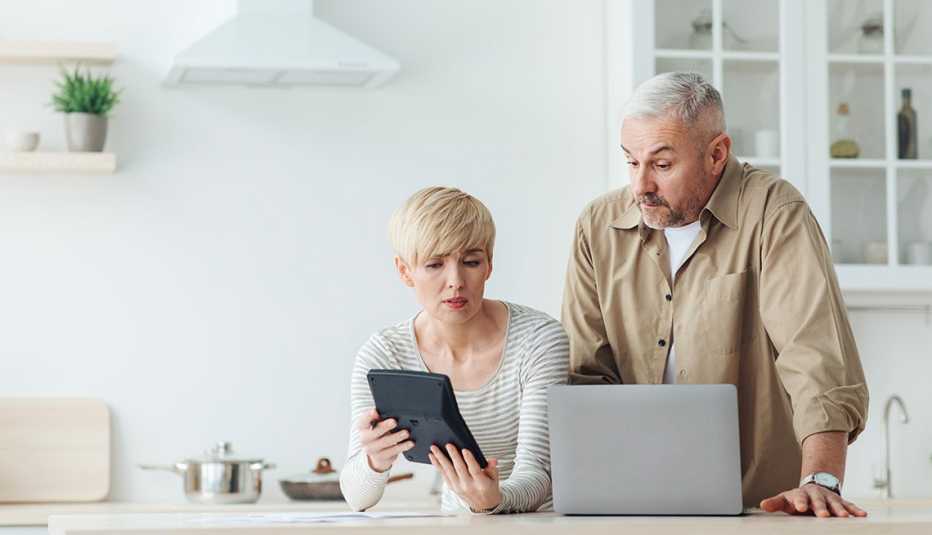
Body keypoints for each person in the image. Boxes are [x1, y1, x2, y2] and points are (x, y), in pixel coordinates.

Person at [561, 72, 869, 517]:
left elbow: (814, 356)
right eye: (631, 162)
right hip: (633, 503)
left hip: (761, 509)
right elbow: (586, 375)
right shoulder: (598, 226)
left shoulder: (773, 213)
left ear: (717, 154)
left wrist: (820, 479)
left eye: (662, 165)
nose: (641, 185)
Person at [340, 186, 569, 513]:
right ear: (405, 271)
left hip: (541, 523)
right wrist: (375, 460)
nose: (456, 281)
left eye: (471, 262)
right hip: (458, 523)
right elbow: (357, 496)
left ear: (489, 264)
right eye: (434, 265)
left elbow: (537, 472)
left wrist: (495, 500)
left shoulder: (539, 339)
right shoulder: (384, 353)